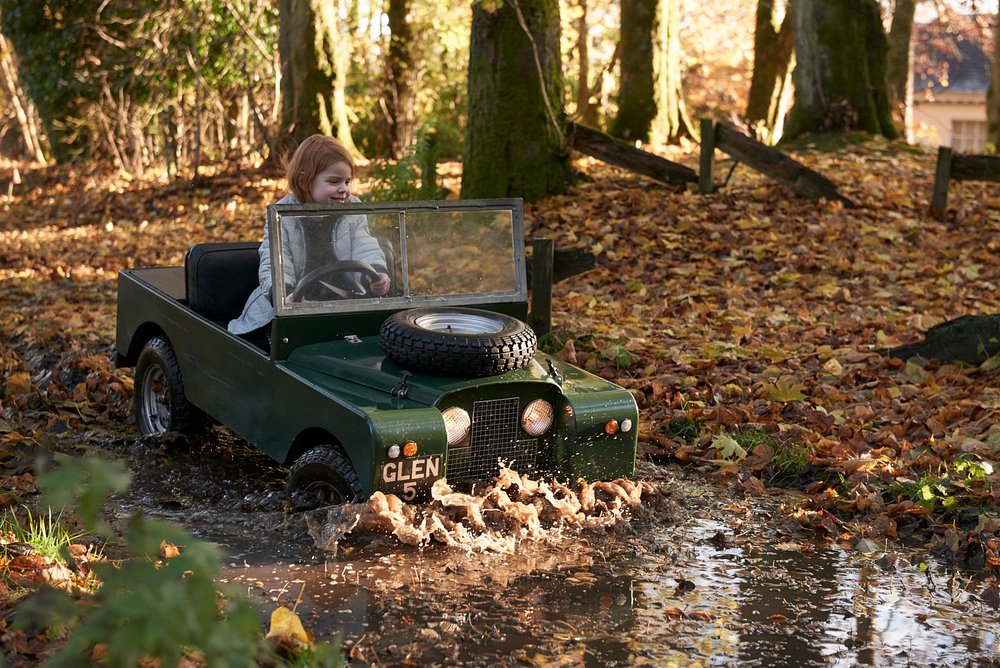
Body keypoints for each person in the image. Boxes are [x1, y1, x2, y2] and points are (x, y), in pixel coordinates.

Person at [228, 135, 390, 337]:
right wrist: (284, 294)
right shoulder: (282, 214)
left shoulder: (352, 209)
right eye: (334, 181)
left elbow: (364, 245)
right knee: (272, 336)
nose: (344, 189)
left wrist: (375, 272)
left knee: (385, 329)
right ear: (304, 180)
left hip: (343, 298)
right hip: (294, 302)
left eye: (347, 182)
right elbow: (275, 261)